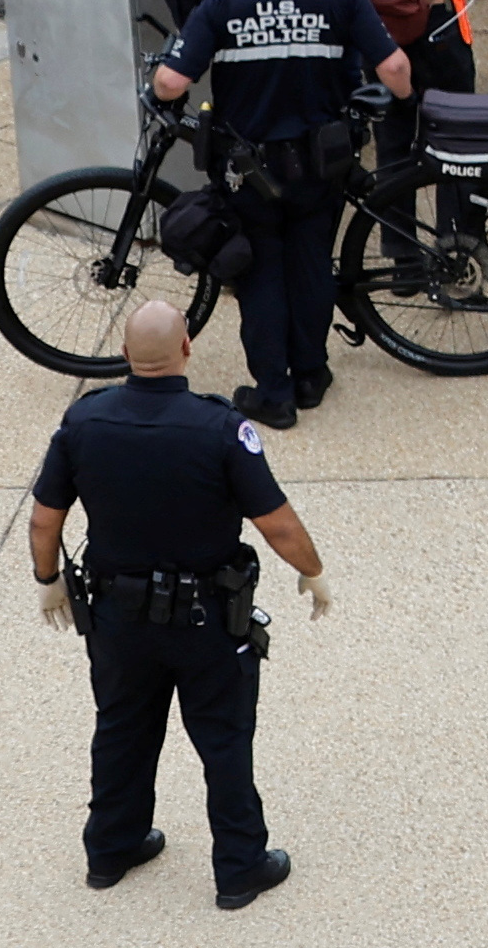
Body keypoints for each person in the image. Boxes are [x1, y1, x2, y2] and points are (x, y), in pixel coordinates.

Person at [25, 297, 325, 907]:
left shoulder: (85, 423)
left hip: (117, 619)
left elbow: (44, 517)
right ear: (186, 348)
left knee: (122, 728)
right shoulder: (218, 428)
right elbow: (278, 525)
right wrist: (312, 571)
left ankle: (111, 849)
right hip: (205, 620)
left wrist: (47, 578)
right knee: (223, 738)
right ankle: (240, 867)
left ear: (126, 356)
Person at [144, 0, 405, 425]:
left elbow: (170, 83)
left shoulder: (224, 0)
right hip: (323, 164)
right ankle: (312, 373)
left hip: (250, 172)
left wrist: (158, 83)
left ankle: (274, 393)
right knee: (312, 261)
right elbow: (396, 69)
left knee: (259, 271)